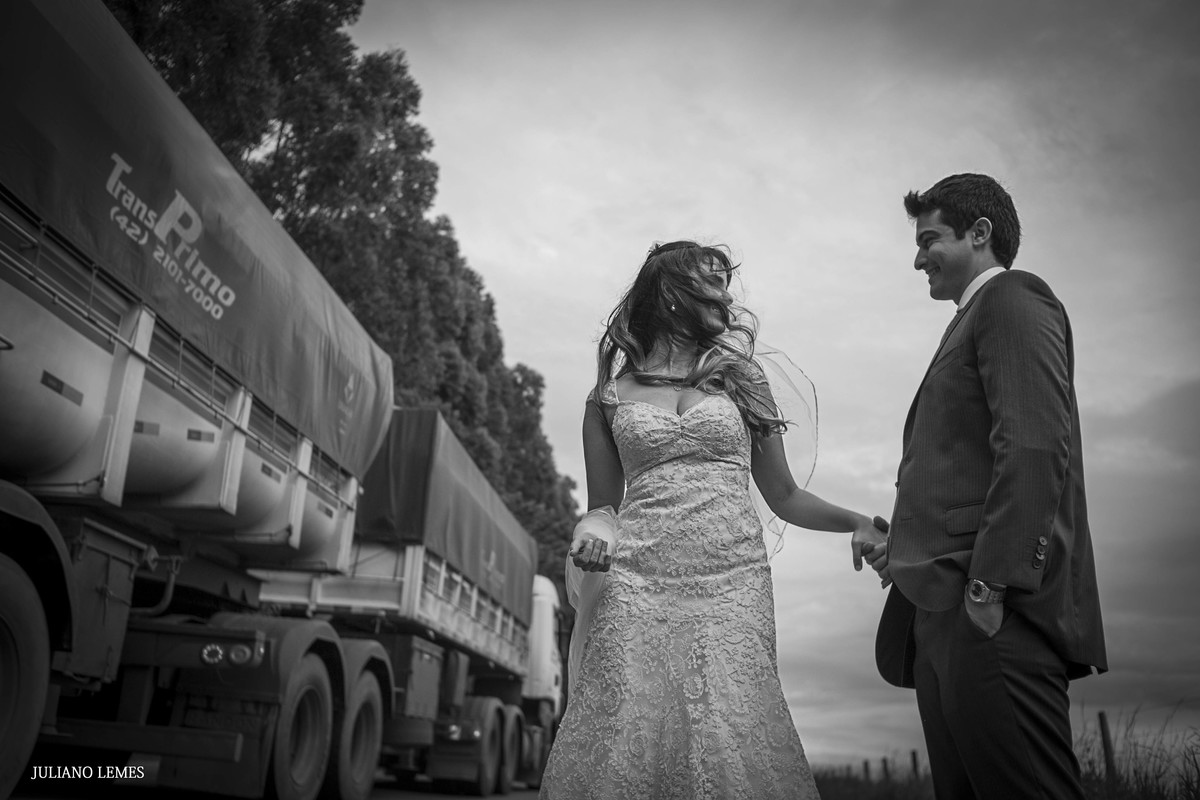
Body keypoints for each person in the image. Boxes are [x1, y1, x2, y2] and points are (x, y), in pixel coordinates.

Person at [539, 240, 888, 800]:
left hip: (733, 585)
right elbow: (604, 508)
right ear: (671, 293)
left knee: (730, 734)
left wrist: (854, 520)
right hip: (636, 584)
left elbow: (785, 494)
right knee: (626, 735)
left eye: (726, 282)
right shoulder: (606, 397)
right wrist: (593, 535)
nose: (725, 295)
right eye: (711, 281)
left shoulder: (742, 381)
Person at [874, 173, 1107, 800]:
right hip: (943, 614)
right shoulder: (966, 321)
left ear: (981, 233)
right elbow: (960, 471)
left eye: (930, 239)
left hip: (989, 612)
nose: (918, 257)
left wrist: (988, 585)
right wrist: (897, 545)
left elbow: (1033, 445)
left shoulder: (1012, 297)